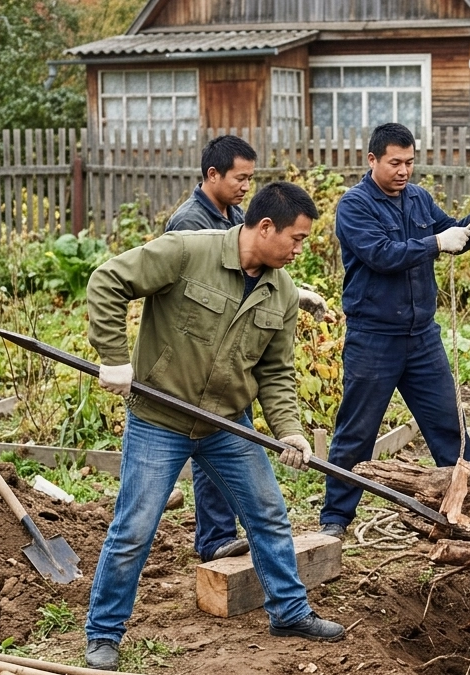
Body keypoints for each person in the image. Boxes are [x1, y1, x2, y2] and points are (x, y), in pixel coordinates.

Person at [83, 182, 345, 670]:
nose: (299, 249)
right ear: (265, 227)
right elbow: (107, 280)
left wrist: (288, 428)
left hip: (226, 424)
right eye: (297, 238)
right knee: (134, 529)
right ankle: (103, 633)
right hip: (159, 419)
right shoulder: (188, 250)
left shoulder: (281, 292)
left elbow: (275, 372)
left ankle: (289, 612)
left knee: (268, 515)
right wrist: (114, 358)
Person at [317, 123, 470, 538]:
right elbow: (381, 254)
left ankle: (469, 508)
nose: (404, 171)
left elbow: (454, 235)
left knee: (448, 426)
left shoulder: (418, 199)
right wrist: (438, 242)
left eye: (409, 162)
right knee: (356, 430)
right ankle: (335, 519)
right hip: (374, 338)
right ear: (372, 161)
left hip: (422, 337)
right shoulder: (354, 206)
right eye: (395, 163)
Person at [162, 135, 330, 563]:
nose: (245, 187)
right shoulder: (190, 224)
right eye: (240, 177)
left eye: (250, 178)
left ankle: (231, 532)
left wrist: (294, 293)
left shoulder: (235, 214)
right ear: (212, 174)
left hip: (238, 351)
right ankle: (215, 537)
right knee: (208, 443)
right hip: (200, 357)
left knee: (233, 441)